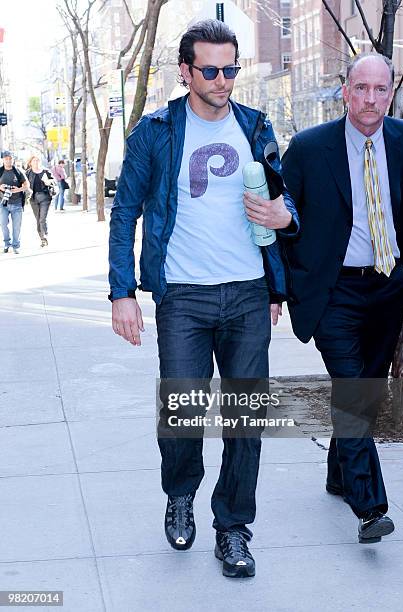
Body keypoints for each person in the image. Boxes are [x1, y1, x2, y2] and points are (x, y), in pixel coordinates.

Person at [109, 19, 298, 578]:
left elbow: (285, 206)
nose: (223, 80)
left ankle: (234, 529)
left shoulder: (257, 127)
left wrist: (285, 220)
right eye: (211, 70)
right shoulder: (157, 131)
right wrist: (123, 291)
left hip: (246, 294)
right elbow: (126, 213)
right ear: (185, 72)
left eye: (230, 69)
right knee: (184, 413)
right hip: (183, 297)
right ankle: (180, 493)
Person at [281, 53, 403, 544]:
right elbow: (283, 222)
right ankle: (371, 506)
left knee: (366, 391)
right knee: (353, 389)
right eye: (361, 89)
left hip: (390, 284)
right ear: (345, 89)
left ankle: (339, 473)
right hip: (334, 289)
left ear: (391, 91)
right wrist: (281, 289)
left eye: (380, 90)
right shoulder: (310, 149)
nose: (370, 100)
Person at [0, 151, 29, 254]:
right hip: (3, 203)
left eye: (10, 158)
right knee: (3, 224)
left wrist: (18, 189)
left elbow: (27, 185)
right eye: (6, 158)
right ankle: (7, 243)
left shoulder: (18, 171)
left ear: (13, 159)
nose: (8, 160)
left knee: (16, 226)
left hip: (17, 203)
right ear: (3, 159)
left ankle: (16, 245)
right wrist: (0, 187)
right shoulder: (0, 171)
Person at [26, 156, 55, 247]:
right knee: (38, 219)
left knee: (42, 218)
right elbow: (23, 183)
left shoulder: (45, 171)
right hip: (33, 198)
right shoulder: (27, 173)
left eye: (38, 160)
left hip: (45, 197)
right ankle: (42, 238)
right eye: (34, 161)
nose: (36, 162)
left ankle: (45, 236)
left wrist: (49, 182)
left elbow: (54, 181)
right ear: (30, 163)